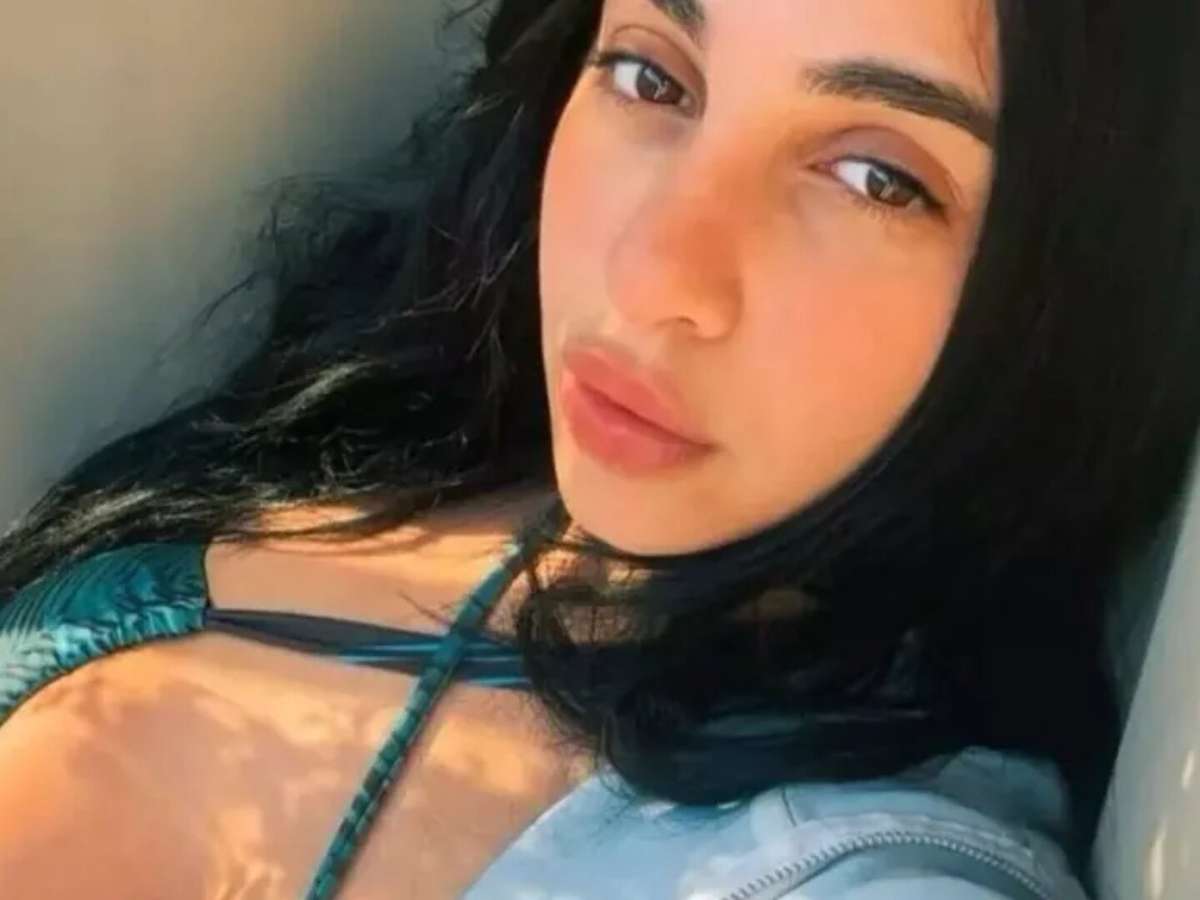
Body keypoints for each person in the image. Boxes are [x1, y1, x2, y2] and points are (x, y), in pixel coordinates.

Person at [1, 0, 1198, 896]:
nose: (649, 273)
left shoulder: (855, 860)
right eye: (651, 75)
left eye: (875, 178)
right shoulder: (453, 412)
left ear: (1069, 294)